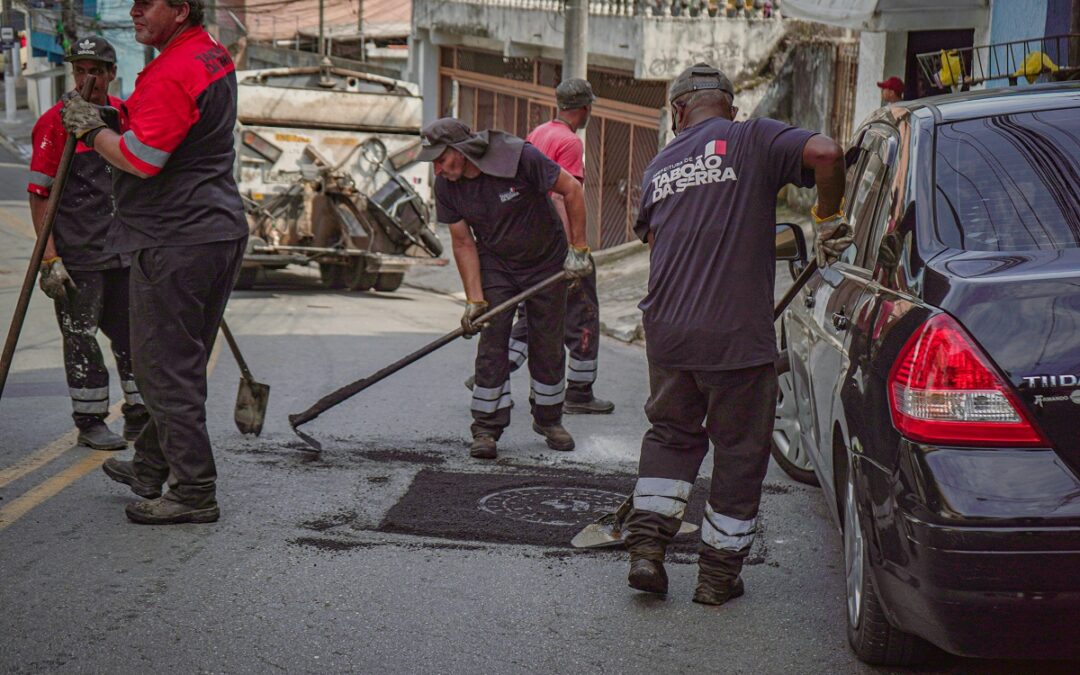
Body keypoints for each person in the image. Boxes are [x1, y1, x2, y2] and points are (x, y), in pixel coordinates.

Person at [623, 63, 850, 604]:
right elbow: (828, 154)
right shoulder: (751, 137)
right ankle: (717, 578)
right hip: (734, 341)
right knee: (740, 450)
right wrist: (829, 217)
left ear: (678, 110)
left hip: (669, 334)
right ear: (729, 105)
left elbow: (663, 249)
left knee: (671, 436)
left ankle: (647, 551)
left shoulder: (661, 165)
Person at [60, 0, 248, 525]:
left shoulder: (172, 69)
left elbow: (143, 160)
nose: (135, 11)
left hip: (175, 237)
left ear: (182, 10)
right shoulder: (209, 54)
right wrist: (113, 118)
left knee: (163, 370)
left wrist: (92, 132)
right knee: (179, 363)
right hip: (214, 229)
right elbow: (174, 128)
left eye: (147, 4)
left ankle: (193, 491)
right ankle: (148, 466)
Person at [419, 117, 592, 460]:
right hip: (497, 263)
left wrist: (579, 250)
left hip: (546, 259)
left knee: (547, 340)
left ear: (460, 150)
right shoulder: (447, 186)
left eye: (441, 159)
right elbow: (463, 242)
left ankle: (548, 419)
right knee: (493, 338)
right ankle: (486, 426)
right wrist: (475, 301)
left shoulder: (519, 157)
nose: (438, 169)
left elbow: (571, 189)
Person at [29, 36, 148, 451]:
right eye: (79, 69)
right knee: (80, 336)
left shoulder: (125, 116)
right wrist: (50, 259)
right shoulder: (54, 122)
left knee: (135, 336)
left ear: (112, 74)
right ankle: (90, 419)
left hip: (125, 248)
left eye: (95, 70)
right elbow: (40, 193)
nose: (86, 78)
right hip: (79, 252)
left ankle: (139, 413)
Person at [496, 77, 614, 415]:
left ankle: (494, 371)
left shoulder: (539, 132)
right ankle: (579, 391)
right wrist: (574, 249)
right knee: (583, 312)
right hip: (558, 241)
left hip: (532, 239)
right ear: (585, 108)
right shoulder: (571, 143)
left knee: (533, 309)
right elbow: (565, 196)